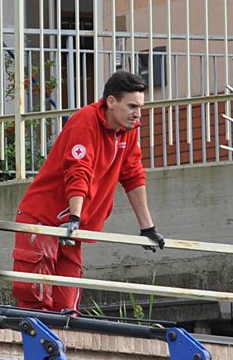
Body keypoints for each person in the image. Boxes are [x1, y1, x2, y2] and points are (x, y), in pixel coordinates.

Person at [11, 69, 165, 312]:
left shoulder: (129, 129)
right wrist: (74, 217)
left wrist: (148, 228)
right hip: (42, 219)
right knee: (35, 298)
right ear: (111, 102)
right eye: (132, 106)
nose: (138, 115)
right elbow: (78, 170)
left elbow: (133, 174)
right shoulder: (85, 121)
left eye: (140, 107)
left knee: (67, 306)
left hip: (72, 225)